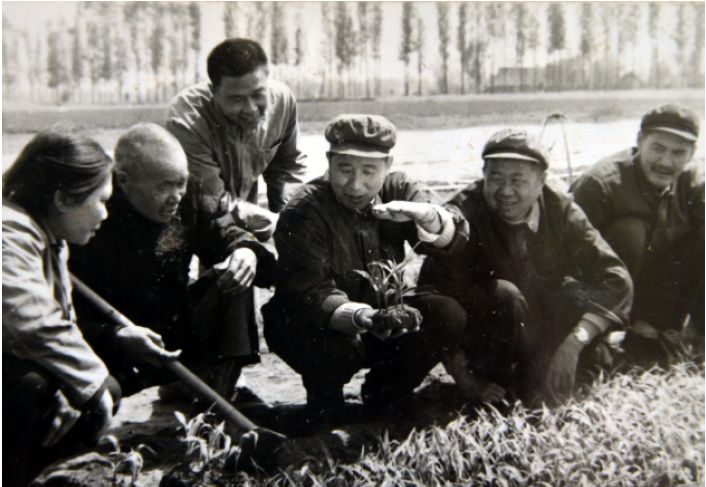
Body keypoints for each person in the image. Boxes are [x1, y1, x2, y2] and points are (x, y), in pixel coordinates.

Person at [262, 114, 469, 423]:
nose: (356, 185)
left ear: (387, 166)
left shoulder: (399, 189)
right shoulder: (305, 209)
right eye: (345, 169)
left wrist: (430, 217)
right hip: (314, 322)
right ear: (329, 162)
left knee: (446, 314)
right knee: (336, 345)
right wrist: (363, 316)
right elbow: (310, 291)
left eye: (369, 171)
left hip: (381, 317)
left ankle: (385, 395)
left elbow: (455, 235)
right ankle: (324, 405)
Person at [420, 129, 633, 405]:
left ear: (541, 181)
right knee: (504, 293)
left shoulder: (561, 210)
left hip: (537, 324)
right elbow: (434, 295)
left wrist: (574, 343)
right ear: (483, 175)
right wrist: (465, 378)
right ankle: (500, 381)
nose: (505, 191)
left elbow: (616, 277)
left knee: (574, 293)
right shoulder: (462, 214)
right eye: (495, 178)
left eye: (517, 180)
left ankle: (550, 367)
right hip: (488, 335)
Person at [70, 123, 275, 401]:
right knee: (94, 398)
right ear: (124, 180)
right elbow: (62, 317)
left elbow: (222, 230)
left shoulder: (188, 197)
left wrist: (245, 250)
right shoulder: (90, 214)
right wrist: (114, 336)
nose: (176, 196)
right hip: (114, 345)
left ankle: (216, 394)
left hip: (173, 328)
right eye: (164, 187)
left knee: (236, 272)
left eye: (181, 183)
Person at [3, 128, 120, 487]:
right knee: (35, 387)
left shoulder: (47, 235)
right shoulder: (8, 234)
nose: (105, 213)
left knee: (93, 392)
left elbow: (61, 321)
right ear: (61, 198)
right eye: (100, 201)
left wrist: (78, 384)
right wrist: (88, 384)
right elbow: (33, 324)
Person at [571, 104, 704, 364]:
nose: (666, 162)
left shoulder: (696, 182)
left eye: (678, 152)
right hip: (607, 294)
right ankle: (606, 337)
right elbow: (566, 262)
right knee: (630, 230)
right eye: (657, 148)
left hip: (659, 296)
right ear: (640, 141)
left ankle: (684, 335)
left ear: (692, 154)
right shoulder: (600, 183)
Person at [166, 38, 306, 243]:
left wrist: (291, 220)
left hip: (245, 212)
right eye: (236, 99)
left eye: (258, 95)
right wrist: (274, 224)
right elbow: (213, 201)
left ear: (268, 78)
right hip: (199, 220)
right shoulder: (187, 119)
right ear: (214, 92)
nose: (250, 109)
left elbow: (288, 169)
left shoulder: (283, 101)